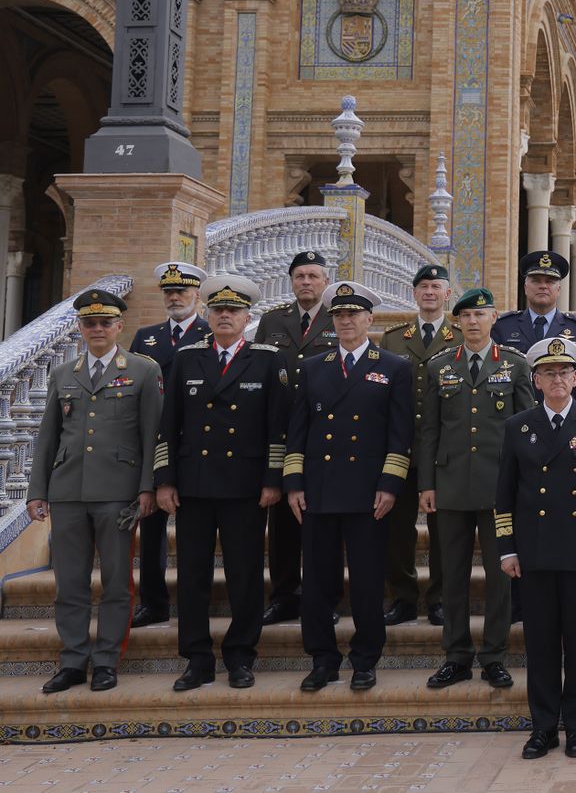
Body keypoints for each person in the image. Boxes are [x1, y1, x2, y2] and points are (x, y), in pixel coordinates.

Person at [154, 275, 287, 690]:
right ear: (208, 315)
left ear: (248, 318)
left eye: (233, 311)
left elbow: (277, 429)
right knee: (192, 577)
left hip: (245, 486)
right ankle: (196, 658)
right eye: (218, 310)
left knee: (244, 575)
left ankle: (241, 655)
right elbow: (168, 425)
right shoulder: (188, 359)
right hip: (193, 484)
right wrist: (164, 480)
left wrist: (272, 479)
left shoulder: (267, 360)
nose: (225, 316)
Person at [27, 289, 161, 695]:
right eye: (90, 323)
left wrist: (147, 488)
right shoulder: (63, 373)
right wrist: (37, 491)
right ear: (81, 328)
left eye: (105, 322)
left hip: (117, 493)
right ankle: (72, 661)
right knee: (70, 582)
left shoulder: (141, 370)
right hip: (68, 490)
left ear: (120, 326)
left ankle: (105, 661)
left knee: (117, 582)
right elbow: (48, 437)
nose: (97, 329)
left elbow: (152, 435)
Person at [283, 281, 414, 693]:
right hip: (319, 490)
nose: (346, 321)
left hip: (367, 492)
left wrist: (391, 484)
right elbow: (297, 431)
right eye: (339, 315)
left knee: (368, 581)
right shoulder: (313, 367)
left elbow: (400, 433)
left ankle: (365, 659)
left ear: (370, 320)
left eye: (354, 314)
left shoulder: (393, 366)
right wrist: (293, 483)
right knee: (318, 581)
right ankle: (322, 658)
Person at [496, 336, 576, 760]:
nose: (558, 379)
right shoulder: (518, 427)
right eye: (548, 373)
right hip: (534, 550)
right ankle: (544, 726)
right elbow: (505, 495)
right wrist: (507, 548)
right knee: (541, 642)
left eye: (564, 371)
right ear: (535, 380)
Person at [419, 288, 534, 691]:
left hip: (499, 489)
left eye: (479, 314)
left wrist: (524, 486)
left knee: (500, 576)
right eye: (465, 315)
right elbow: (430, 430)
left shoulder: (516, 366)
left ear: (493, 318)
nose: (472, 321)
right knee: (452, 575)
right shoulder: (439, 366)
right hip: (450, 488)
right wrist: (426, 485)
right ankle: (456, 655)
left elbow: (526, 432)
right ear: (457, 321)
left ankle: (494, 656)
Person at [254, 249, 339, 625]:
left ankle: (326, 597)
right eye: (300, 276)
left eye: (313, 276)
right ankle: (284, 594)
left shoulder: (340, 317)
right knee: (283, 523)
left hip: (328, 435)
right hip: (283, 433)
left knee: (324, 521)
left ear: (325, 281)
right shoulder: (273, 320)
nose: (306, 282)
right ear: (291, 281)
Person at [129, 260, 209, 629]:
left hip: (198, 441)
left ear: (197, 295)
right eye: (169, 291)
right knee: (151, 526)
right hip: (153, 440)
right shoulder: (146, 337)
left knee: (199, 528)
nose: (175, 296)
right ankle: (154, 601)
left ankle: (198, 600)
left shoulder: (213, 332)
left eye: (182, 291)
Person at [378, 263, 456, 627]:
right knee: (397, 530)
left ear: (447, 294)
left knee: (443, 530)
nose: (429, 292)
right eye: (423, 286)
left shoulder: (460, 336)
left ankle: (439, 598)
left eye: (436, 287)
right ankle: (404, 596)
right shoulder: (394, 339)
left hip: (444, 452)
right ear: (414, 293)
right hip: (402, 449)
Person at [492, 250, 576, 411]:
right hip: (515, 418)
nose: (543, 286)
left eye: (550, 281)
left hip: (563, 420)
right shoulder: (503, 326)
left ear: (558, 290)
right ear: (526, 287)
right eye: (536, 281)